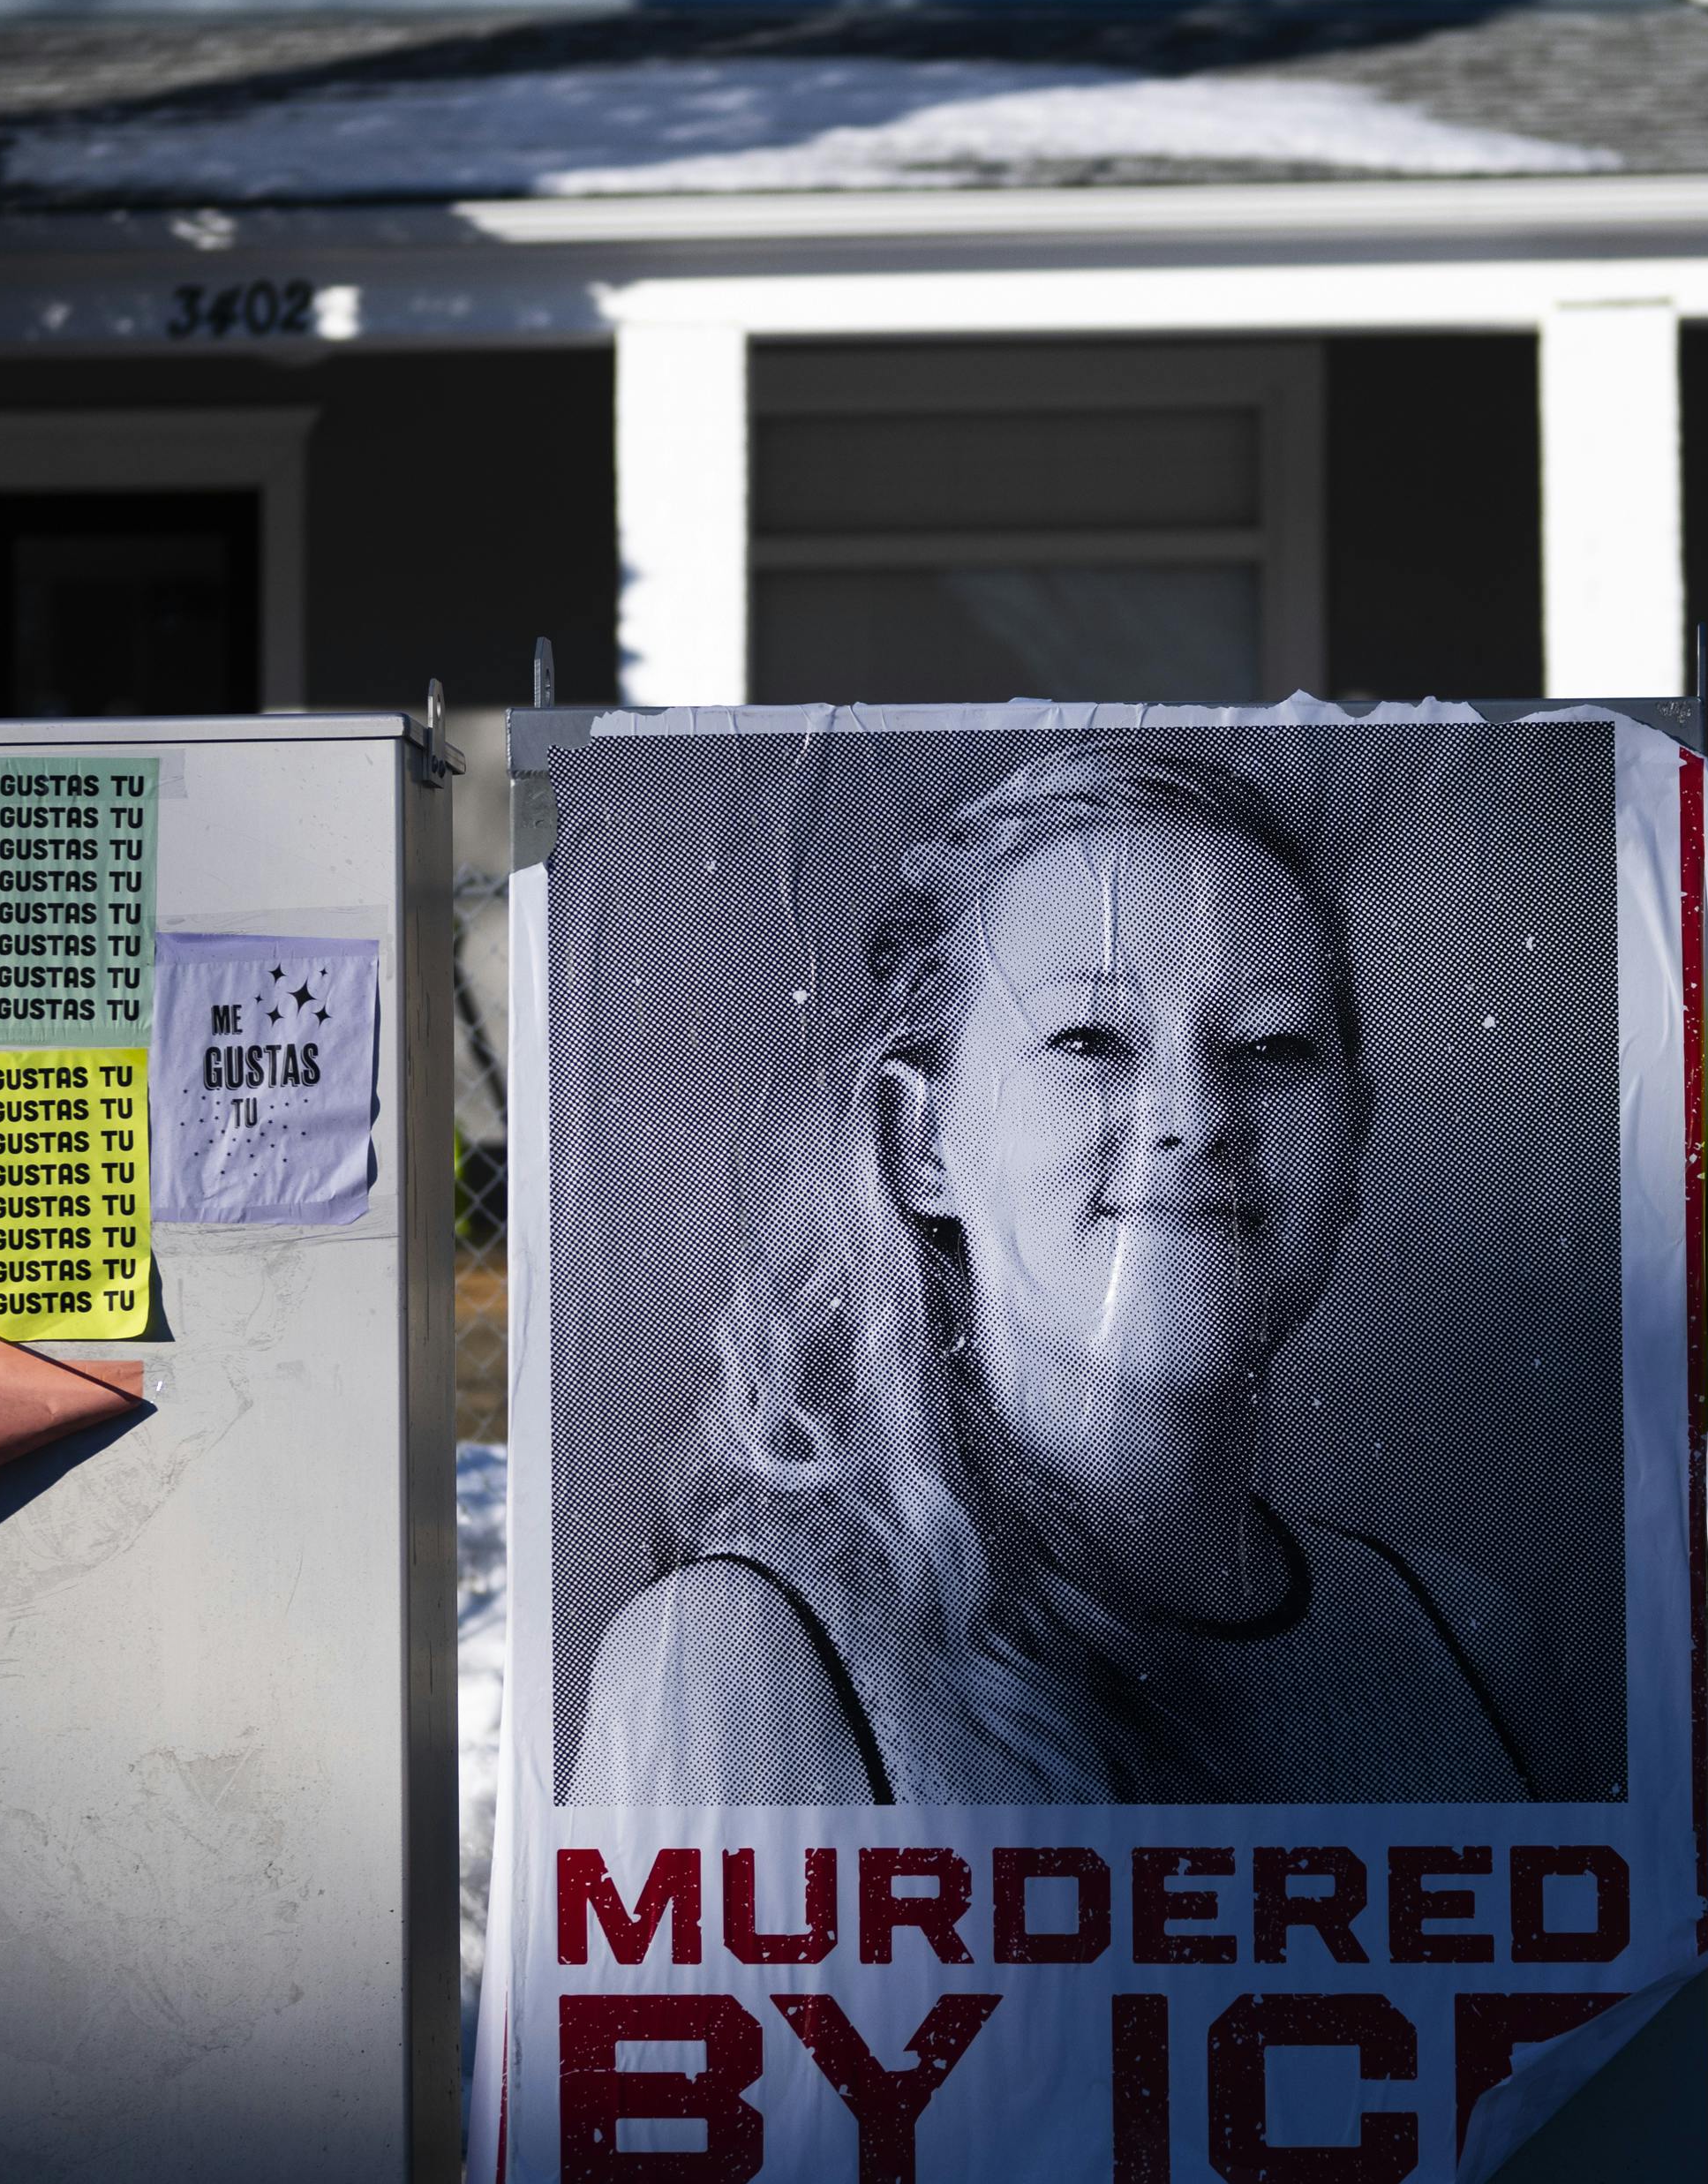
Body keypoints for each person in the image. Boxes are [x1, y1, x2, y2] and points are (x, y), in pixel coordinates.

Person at [569, 736, 1546, 1806]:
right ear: (920, 1144)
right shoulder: (734, 1667)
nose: (1195, 1116)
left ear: (1351, 1141)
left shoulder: (1474, 1654)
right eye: (1089, 1040)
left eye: (1271, 1048)